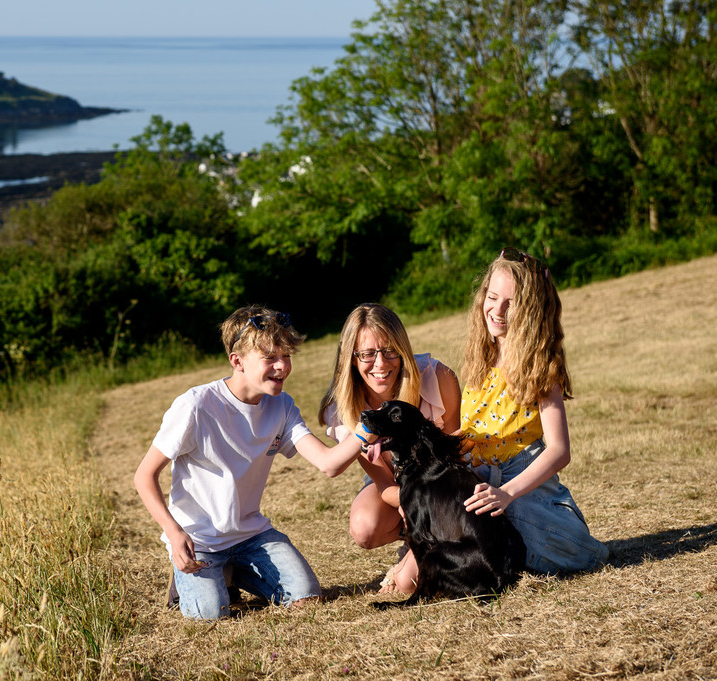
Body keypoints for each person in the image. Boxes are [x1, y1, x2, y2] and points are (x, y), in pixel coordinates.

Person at [133, 304, 378, 620]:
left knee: (306, 598)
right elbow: (144, 476)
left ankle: (230, 573)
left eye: (286, 356)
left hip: (251, 536)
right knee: (211, 616)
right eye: (270, 358)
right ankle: (197, 580)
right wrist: (174, 531)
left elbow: (329, 463)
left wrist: (367, 429)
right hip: (201, 543)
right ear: (237, 361)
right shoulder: (196, 406)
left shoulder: (282, 406)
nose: (282, 366)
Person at [460, 248, 609, 573]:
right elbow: (472, 428)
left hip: (522, 481)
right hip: (478, 475)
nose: (497, 310)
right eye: (492, 296)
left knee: (519, 528)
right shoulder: (479, 359)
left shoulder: (539, 367)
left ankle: (576, 547)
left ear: (530, 310)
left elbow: (559, 450)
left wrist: (507, 493)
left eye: (511, 304)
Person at [317, 303, 461, 595]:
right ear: (351, 359)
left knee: (406, 586)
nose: (381, 364)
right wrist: (411, 505)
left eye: (390, 350)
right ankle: (418, 540)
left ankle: (432, 542)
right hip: (401, 485)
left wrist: (425, 507)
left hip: (448, 487)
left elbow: (458, 457)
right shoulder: (343, 408)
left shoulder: (437, 378)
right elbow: (383, 483)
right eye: (368, 354)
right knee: (365, 526)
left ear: (402, 350)